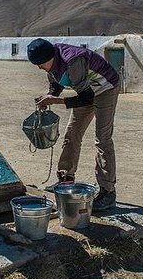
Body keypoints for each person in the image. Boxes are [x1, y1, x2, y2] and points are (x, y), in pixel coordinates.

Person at [28, 38, 119, 211]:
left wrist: (56, 101)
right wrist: (48, 97)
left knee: (102, 139)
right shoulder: (52, 61)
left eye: (40, 64)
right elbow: (55, 83)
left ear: (50, 57)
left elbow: (87, 98)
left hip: (105, 89)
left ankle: (108, 192)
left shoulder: (73, 61)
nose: (39, 67)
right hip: (86, 92)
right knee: (72, 134)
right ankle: (66, 179)